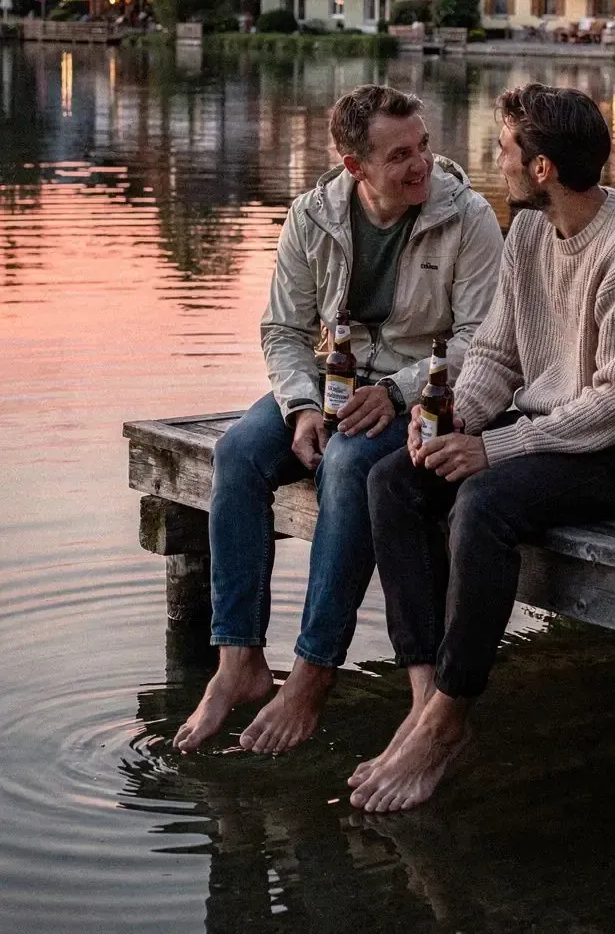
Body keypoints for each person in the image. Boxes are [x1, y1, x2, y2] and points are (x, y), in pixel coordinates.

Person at [350, 82, 615, 812]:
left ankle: (450, 722)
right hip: (560, 433)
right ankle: (424, 701)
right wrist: (445, 417)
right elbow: (498, 354)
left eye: (507, 150)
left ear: (542, 167)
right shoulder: (530, 233)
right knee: (395, 479)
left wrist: (497, 449)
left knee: (481, 502)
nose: (496, 162)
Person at [174, 84, 503, 755]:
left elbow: (482, 337)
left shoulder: (467, 216)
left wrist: (398, 389)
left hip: (417, 396)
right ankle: (238, 660)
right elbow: (284, 330)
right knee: (237, 451)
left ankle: (314, 671)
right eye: (401, 155)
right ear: (356, 166)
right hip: (325, 384)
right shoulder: (311, 215)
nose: (423, 165)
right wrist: (298, 408)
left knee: (351, 465)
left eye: (425, 146)